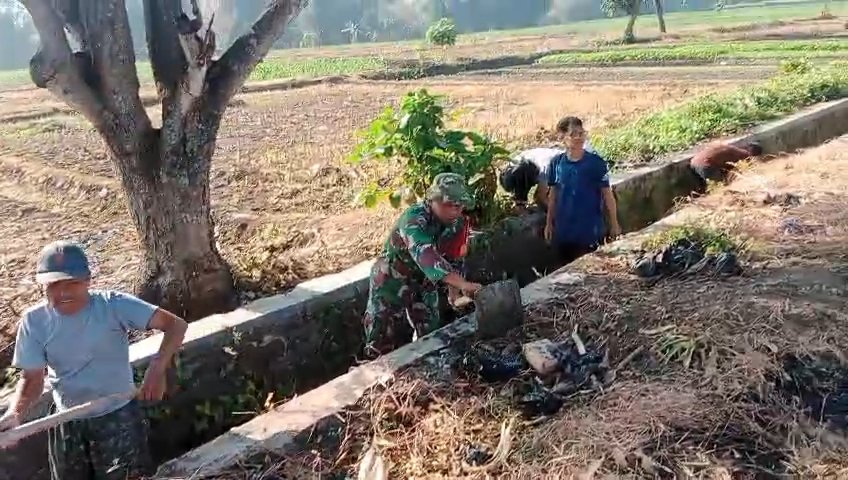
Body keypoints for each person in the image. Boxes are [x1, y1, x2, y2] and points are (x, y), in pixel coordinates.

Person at [0, 241, 188, 480]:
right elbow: (32, 379)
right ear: (42, 286)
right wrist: (15, 413)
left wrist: (157, 369)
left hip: (117, 417)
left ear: (88, 281)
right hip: (68, 420)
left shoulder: (114, 306)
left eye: (72, 284)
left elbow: (175, 326)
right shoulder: (34, 322)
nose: (63, 293)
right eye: (54, 285)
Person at [363, 173, 484, 357]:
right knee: (382, 338)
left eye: (459, 205)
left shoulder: (456, 223)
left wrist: (454, 289)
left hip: (424, 282)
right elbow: (426, 256)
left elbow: (454, 255)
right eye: (448, 204)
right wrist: (463, 284)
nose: (455, 211)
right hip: (391, 281)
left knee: (431, 332)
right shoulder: (413, 219)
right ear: (432, 200)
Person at [545, 116, 622, 264]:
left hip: (589, 231)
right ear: (562, 137)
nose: (579, 138)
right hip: (564, 231)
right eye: (574, 134)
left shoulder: (595, 163)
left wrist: (614, 224)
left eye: (581, 133)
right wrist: (549, 224)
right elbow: (553, 196)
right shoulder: (556, 164)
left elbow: (608, 195)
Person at [499, 140, 597, 211]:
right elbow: (540, 197)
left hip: (526, 170)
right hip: (512, 175)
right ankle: (520, 209)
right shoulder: (550, 166)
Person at [690, 141, 763, 189]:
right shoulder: (743, 154)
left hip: (693, 162)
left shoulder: (727, 147)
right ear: (752, 153)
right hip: (705, 166)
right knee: (724, 186)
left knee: (704, 187)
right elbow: (747, 167)